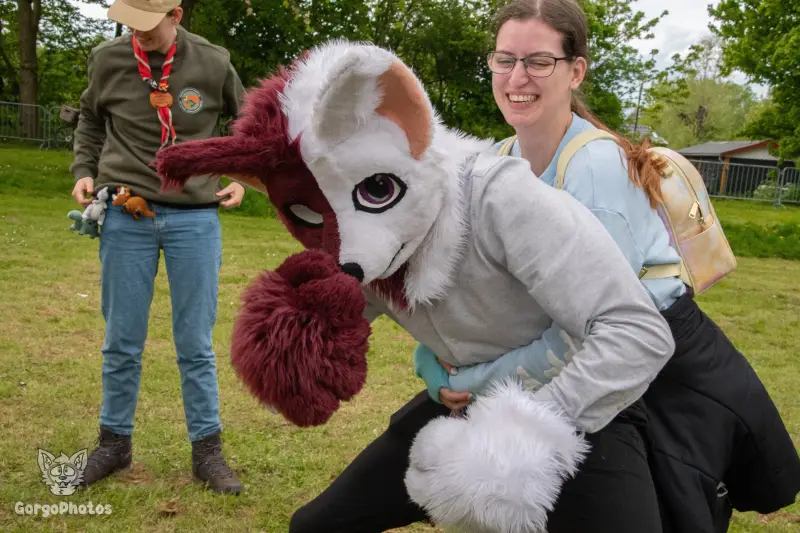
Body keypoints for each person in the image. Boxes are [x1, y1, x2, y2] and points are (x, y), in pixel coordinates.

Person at [412, 0, 800, 531]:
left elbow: (592, 329)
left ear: (576, 71)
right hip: (576, 360)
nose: (517, 77)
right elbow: (474, 294)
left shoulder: (594, 169)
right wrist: (435, 369)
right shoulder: (497, 160)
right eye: (505, 59)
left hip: (653, 363)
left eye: (539, 61)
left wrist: (476, 379)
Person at [69, 0, 246, 494]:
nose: (137, 33)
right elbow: (89, 120)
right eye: (129, 23)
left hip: (196, 217)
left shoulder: (213, 62)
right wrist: (84, 171)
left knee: (195, 344)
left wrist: (240, 175)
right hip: (126, 213)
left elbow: (247, 123)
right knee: (121, 341)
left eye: (148, 24)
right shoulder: (107, 59)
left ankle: (207, 453)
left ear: (177, 15)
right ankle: (114, 444)